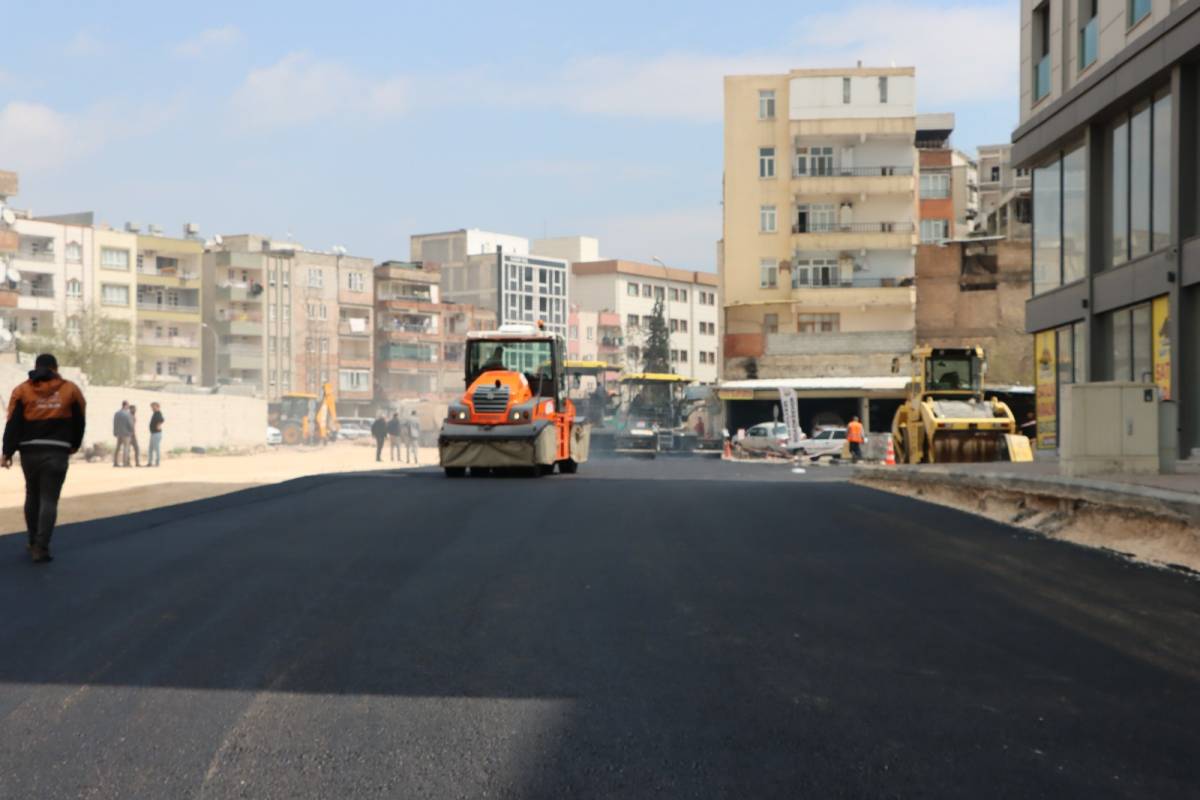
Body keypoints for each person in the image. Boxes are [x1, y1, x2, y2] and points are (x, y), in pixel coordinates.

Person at [2, 353, 86, 563]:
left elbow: (13, 422)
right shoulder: (70, 390)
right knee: (49, 499)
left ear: (37, 366)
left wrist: (7, 452)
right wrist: (73, 444)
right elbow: (80, 420)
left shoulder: (22, 390)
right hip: (57, 451)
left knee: (32, 495)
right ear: (56, 368)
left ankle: (32, 540)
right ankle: (41, 547)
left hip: (29, 452)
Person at [112, 400, 133, 467]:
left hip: (118, 433)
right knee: (126, 448)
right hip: (126, 434)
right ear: (125, 405)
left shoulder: (117, 413)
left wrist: (115, 432)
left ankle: (115, 463)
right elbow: (130, 424)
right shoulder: (127, 414)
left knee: (117, 448)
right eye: (128, 405)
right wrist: (132, 431)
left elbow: (114, 423)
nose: (128, 407)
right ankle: (125, 463)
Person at [148, 402, 164, 467]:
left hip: (156, 434)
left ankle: (157, 463)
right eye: (151, 407)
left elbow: (162, 419)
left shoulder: (158, 413)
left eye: (153, 406)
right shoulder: (155, 413)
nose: (152, 408)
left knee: (156, 449)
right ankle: (150, 462)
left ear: (157, 406)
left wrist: (158, 425)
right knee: (150, 449)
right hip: (153, 433)